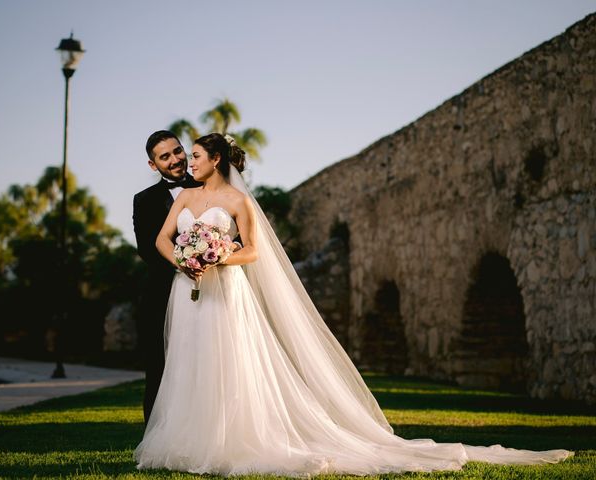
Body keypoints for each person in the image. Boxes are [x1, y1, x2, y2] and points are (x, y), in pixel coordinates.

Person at [134, 133, 572, 476]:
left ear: (216, 161)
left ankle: (231, 440)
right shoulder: (187, 198)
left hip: (226, 289)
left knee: (228, 361)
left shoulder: (238, 201)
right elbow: (159, 239)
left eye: (193, 155)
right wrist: (187, 261)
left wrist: (219, 255)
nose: (188, 162)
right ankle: (188, 440)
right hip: (187, 289)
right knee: (190, 362)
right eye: (182, 156)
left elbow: (253, 251)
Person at [132, 130, 202, 424]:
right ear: (153, 165)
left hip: (212, 289)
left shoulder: (209, 187)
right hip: (163, 291)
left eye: (178, 151)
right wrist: (186, 264)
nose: (175, 160)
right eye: (165, 156)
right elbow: (148, 249)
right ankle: (155, 437)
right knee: (159, 367)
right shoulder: (144, 200)